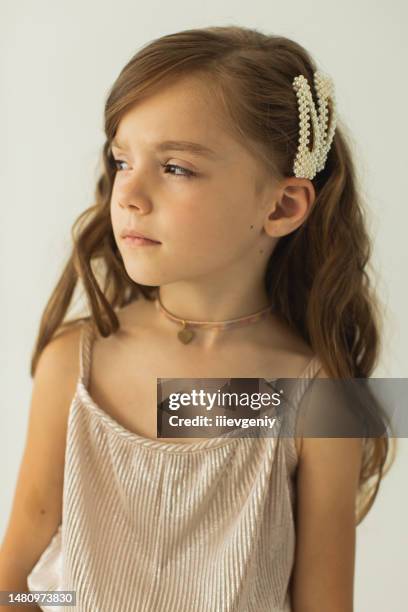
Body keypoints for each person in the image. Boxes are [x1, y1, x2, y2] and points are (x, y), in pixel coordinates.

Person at [0, 25, 395, 611]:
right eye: (121, 160)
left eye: (176, 168)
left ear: (283, 205)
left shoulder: (314, 398)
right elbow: (17, 577)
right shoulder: (75, 362)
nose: (128, 193)